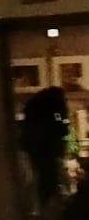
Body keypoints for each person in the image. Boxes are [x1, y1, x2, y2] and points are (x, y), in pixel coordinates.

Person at [21, 82, 70, 210]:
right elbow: (62, 124)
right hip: (46, 148)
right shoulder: (55, 107)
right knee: (49, 176)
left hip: (35, 148)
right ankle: (48, 205)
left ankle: (43, 205)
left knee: (41, 176)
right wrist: (63, 127)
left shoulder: (36, 106)